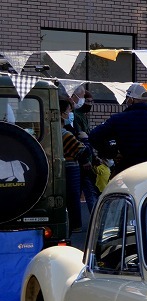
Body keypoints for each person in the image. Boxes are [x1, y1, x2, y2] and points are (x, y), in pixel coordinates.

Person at [59, 98, 93, 232]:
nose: (70, 114)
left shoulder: (54, 132)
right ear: (62, 114)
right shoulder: (64, 134)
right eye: (69, 111)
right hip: (71, 168)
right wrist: (86, 139)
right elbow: (83, 151)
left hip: (63, 168)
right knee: (74, 197)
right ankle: (76, 226)